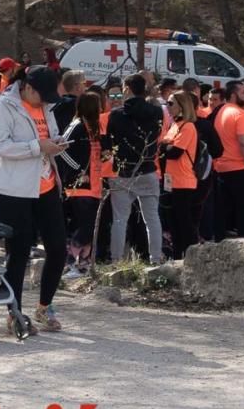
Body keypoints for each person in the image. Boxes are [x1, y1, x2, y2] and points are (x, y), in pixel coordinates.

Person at [0, 65, 69, 332]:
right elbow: (1, 147)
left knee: (58, 249)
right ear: (28, 87)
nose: (46, 102)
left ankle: (44, 308)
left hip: (46, 186)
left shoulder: (45, 107)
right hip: (14, 190)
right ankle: (14, 313)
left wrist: (56, 144)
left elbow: (49, 136)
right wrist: (38, 147)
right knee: (19, 252)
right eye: (42, 96)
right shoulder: (3, 108)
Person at [104, 73, 164, 264]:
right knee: (152, 219)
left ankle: (116, 260)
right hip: (147, 168)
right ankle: (156, 258)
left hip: (123, 171)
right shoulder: (157, 113)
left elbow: (109, 140)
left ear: (127, 89)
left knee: (120, 220)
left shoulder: (116, 115)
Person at [56, 92, 103, 278]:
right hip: (80, 184)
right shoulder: (77, 125)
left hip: (95, 183)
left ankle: (83, 264)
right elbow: (61, 150)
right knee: (85, 224)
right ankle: (69, 260)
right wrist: (78, 170)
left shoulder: (95, 126)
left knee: (91, 225)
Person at [212, 80, 244, 240]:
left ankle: (221, 241)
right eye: (243, 92)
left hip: (223, 167)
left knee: (224, 209)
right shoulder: (239, 114)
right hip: (239, 167)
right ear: (233, 95)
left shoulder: (222, 111)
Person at [160, 91, 199, 259]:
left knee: (184, 221)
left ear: (182, 106)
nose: (167, 107)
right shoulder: (174, 125)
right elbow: (163, 149)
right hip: (170, 181)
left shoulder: (188, 126)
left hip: (184, 181)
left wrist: (164, 147)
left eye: (171, 103)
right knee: (173, 222)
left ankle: (192, 255)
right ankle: (177, 256)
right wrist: (164, 147)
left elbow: (174, 152)